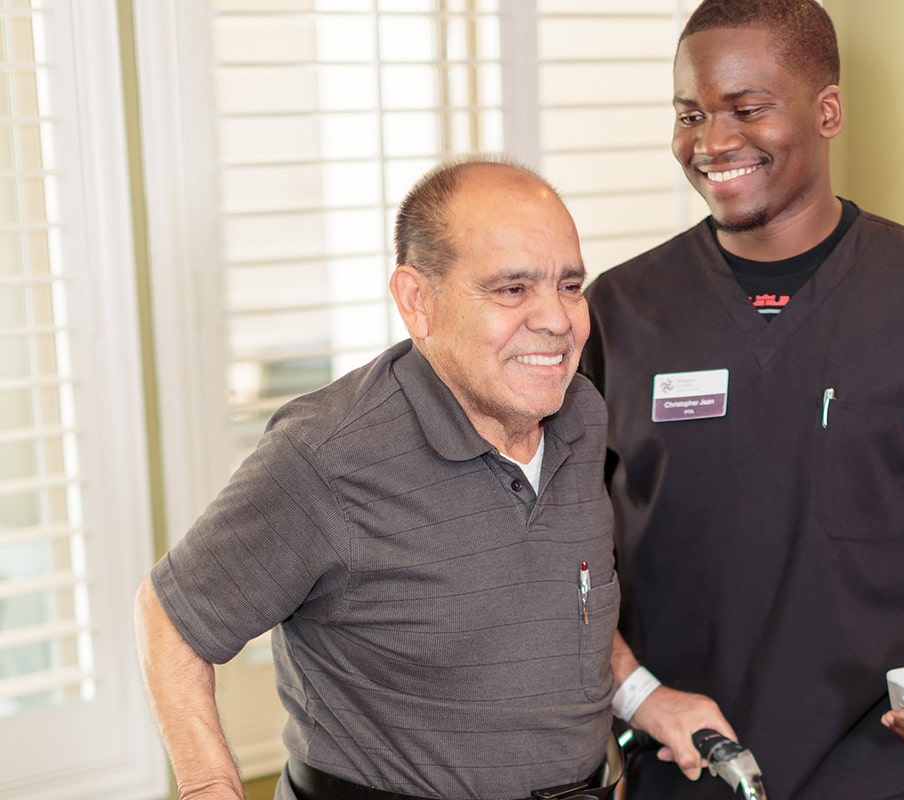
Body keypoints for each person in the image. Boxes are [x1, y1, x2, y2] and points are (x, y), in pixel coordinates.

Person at [581, 2, 904, 798]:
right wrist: (633, 695)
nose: (712, 142)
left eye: (747, 108)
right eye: (690, 113)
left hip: (882, 765)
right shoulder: (620, 313)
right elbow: (559, 543)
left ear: (828, 110)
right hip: (680, 761)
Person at [134, 158, 622, 800]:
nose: (557, 320)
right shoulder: (326, 457)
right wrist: (208, 786)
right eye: (511, 290)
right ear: (418, 301)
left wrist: (644, 699)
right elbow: (171, 617)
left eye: (569, 285)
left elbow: (566, 603)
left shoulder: (579, 413)